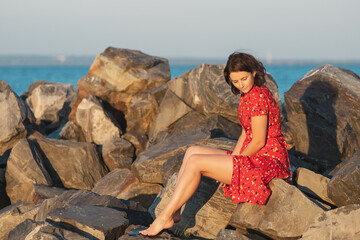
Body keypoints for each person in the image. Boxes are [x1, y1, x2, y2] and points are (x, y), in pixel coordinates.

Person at [140, 52, 292, 236]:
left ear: (254, 72)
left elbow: (259, 140)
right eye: (235, 81)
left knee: (196, 163)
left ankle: (165, 217)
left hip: (268, 161)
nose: (241, 84)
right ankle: (177, 211)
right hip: (254, 156)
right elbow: (246, 133)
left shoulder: (258, 96)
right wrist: (235, 160)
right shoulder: (247, 95)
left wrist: (236, 163)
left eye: (244, 79)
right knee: (192, 151)